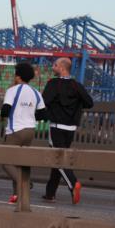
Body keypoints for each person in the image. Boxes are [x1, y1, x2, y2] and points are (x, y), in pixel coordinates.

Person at [41, 57, 94, 204]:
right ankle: (50, 193)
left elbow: (44, 102)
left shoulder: (53, 84)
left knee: (57, 159)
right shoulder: (77, 86)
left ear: (62, 68)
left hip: (56, 126)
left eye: (55, 65)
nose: (53, 67)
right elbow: (89, 103)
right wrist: (76, 105)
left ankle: (73, 183)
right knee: (58, 158)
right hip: (71, 128)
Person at [0, 62, 47, 204]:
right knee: (20, 163)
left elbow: (5, 111)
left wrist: (6, 116)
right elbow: (42, 114)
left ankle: (25, 182)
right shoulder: (36, 92)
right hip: (30, 131)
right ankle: (17, 195)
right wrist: (28, 115)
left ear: (18, 76)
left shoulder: (12, 90)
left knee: (6, 162)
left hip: (15, 130)